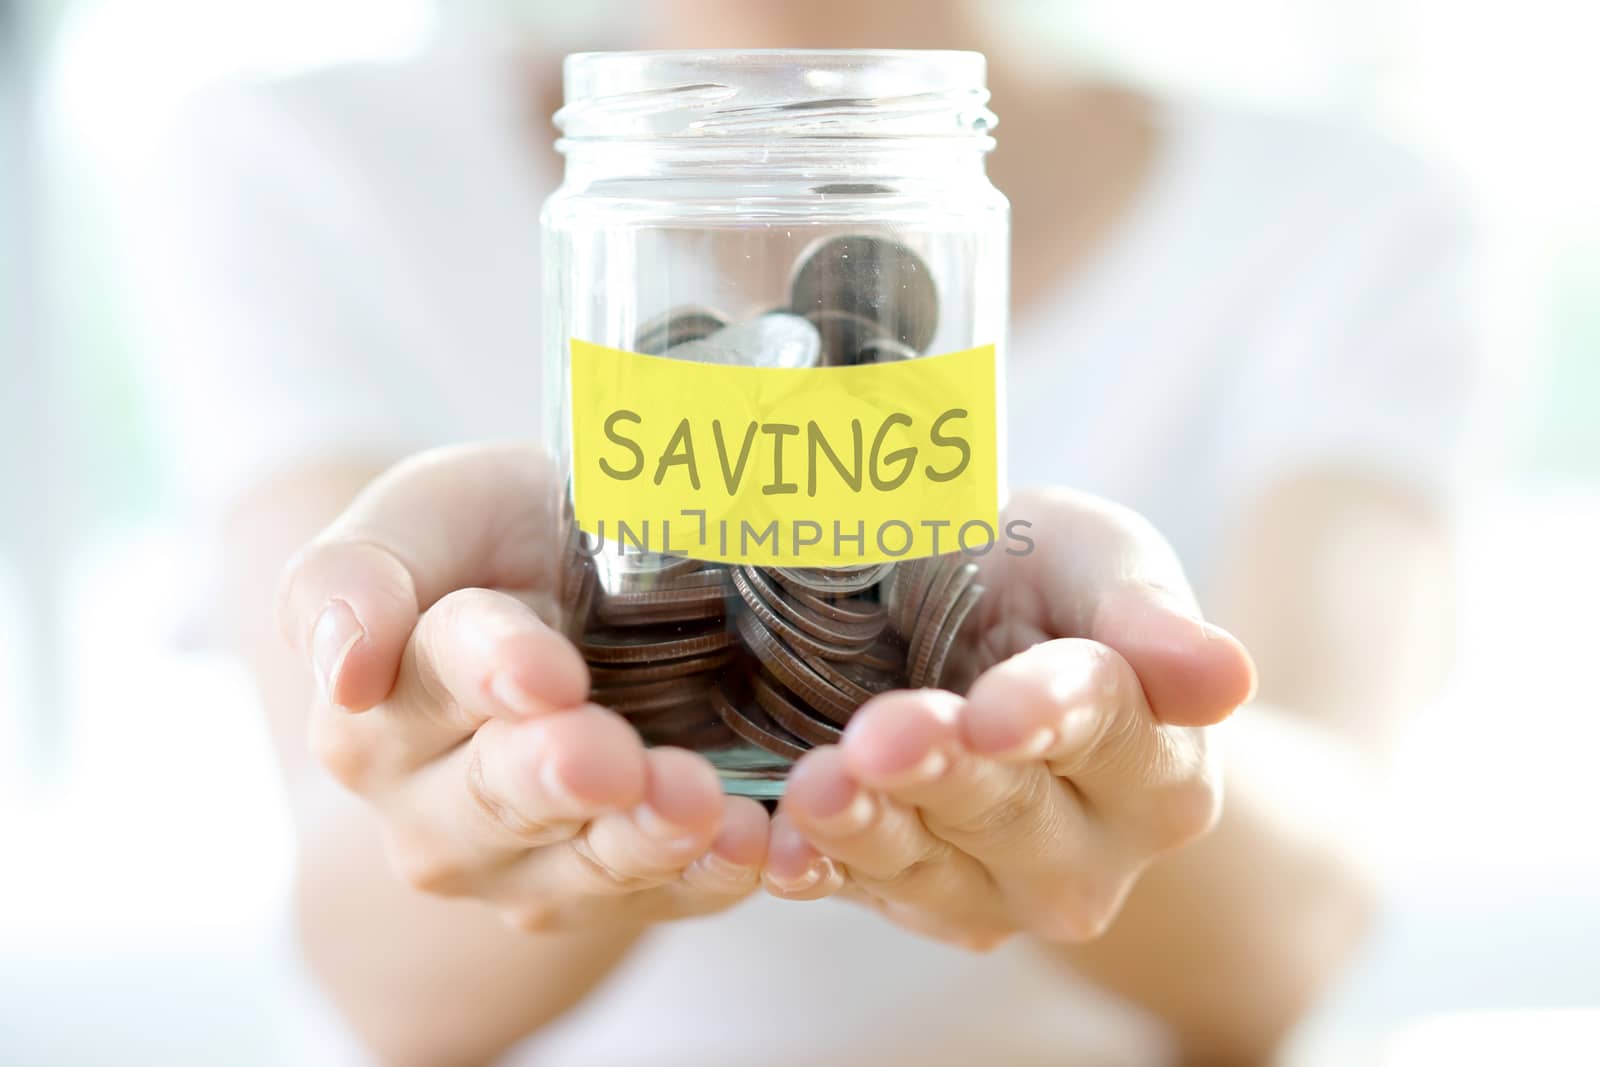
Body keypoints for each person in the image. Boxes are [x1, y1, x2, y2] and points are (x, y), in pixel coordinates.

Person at [134, 2, 1476, 1064]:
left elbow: (1299, 937)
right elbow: (381, 975)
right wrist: (522, 759)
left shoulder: (1349, 207)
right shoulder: (296, 158)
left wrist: (1120, 736)